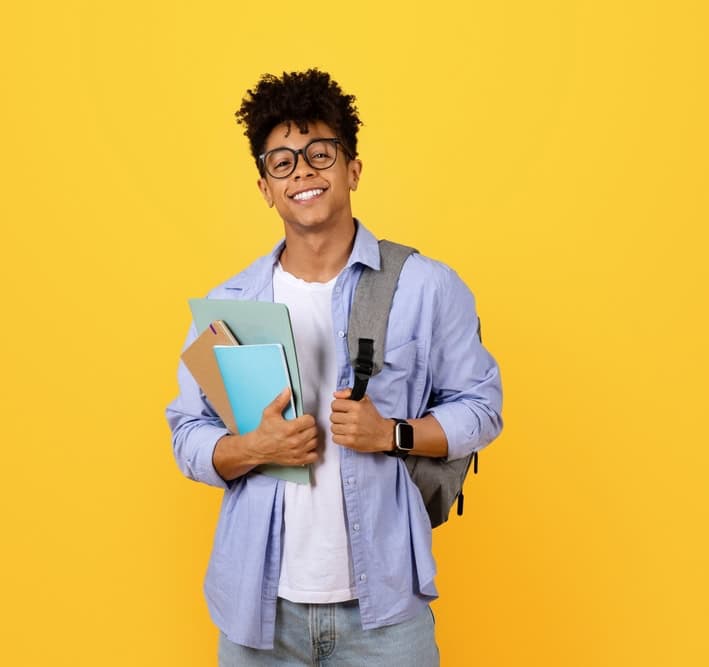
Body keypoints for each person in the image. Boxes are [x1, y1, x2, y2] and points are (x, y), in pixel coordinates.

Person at [166, 68, 503, 666]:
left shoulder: (425, 287)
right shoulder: (232, 305)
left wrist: (391, 434)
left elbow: (482, 407)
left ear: (352, 168)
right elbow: (187, 433)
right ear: (265, 186)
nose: (303, 172)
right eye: (283, 162)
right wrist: (252, 448)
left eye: (320, 153)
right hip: (258, 611)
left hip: (386, 616)